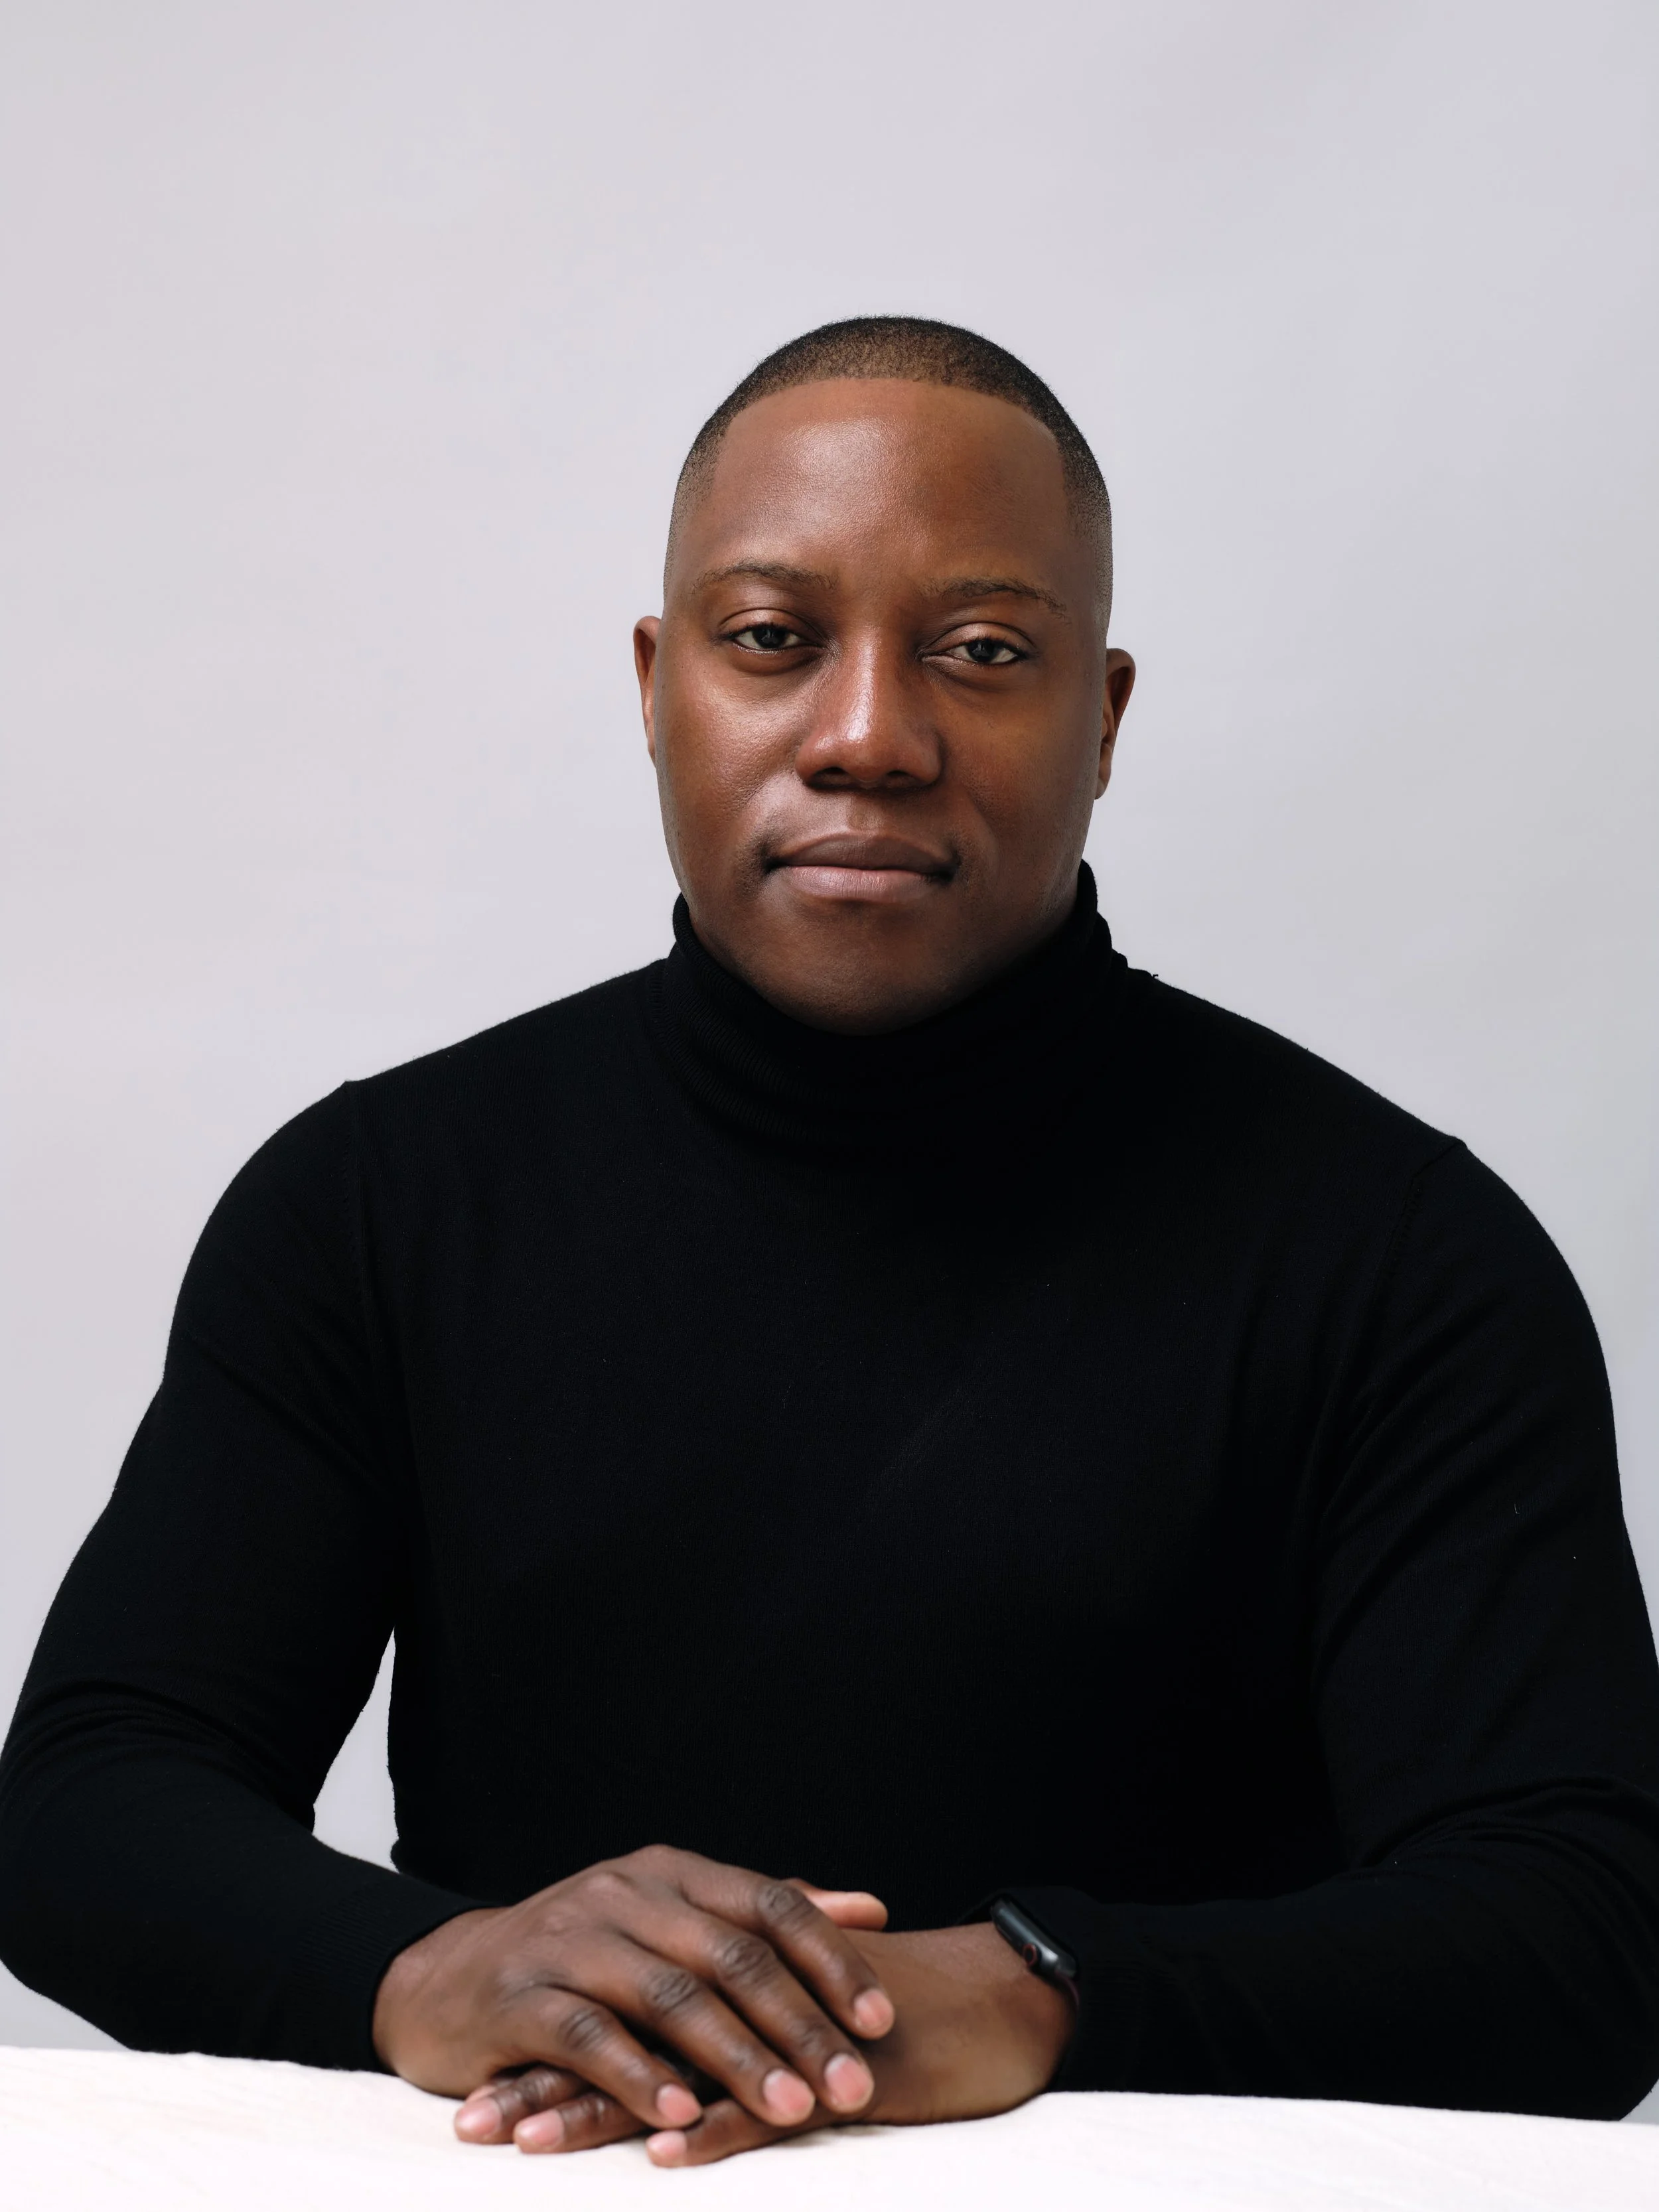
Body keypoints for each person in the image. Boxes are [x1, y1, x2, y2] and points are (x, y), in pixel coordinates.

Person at [3, 317, 1658, 2166]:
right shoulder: (381, 1203)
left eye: (984, 650)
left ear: (1104, 717)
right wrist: (430, 1966)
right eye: (772, 639)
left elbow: (1583, 1927)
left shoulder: (1400, 1256)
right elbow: (85, 1803)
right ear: (658, 685)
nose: (868, 736)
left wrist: (1040, 1990)